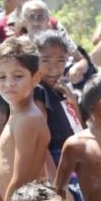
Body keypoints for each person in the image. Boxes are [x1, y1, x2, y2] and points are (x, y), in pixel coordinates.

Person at [0, 37, 50, 201]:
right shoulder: (19, 115)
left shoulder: (27, 120)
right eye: (2, 77)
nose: (9, 83)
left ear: (36, 77)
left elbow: (21, 180)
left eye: (18, 76)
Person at [32, 30, 80, 165]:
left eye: (60, 60)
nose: (53, 68)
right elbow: (39, 140)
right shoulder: (38, 91)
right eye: (46, 60)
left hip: (71, 155)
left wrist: (73, 102)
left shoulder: (61, 90)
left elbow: (78, 128)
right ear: (34, 60)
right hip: (55, 160)